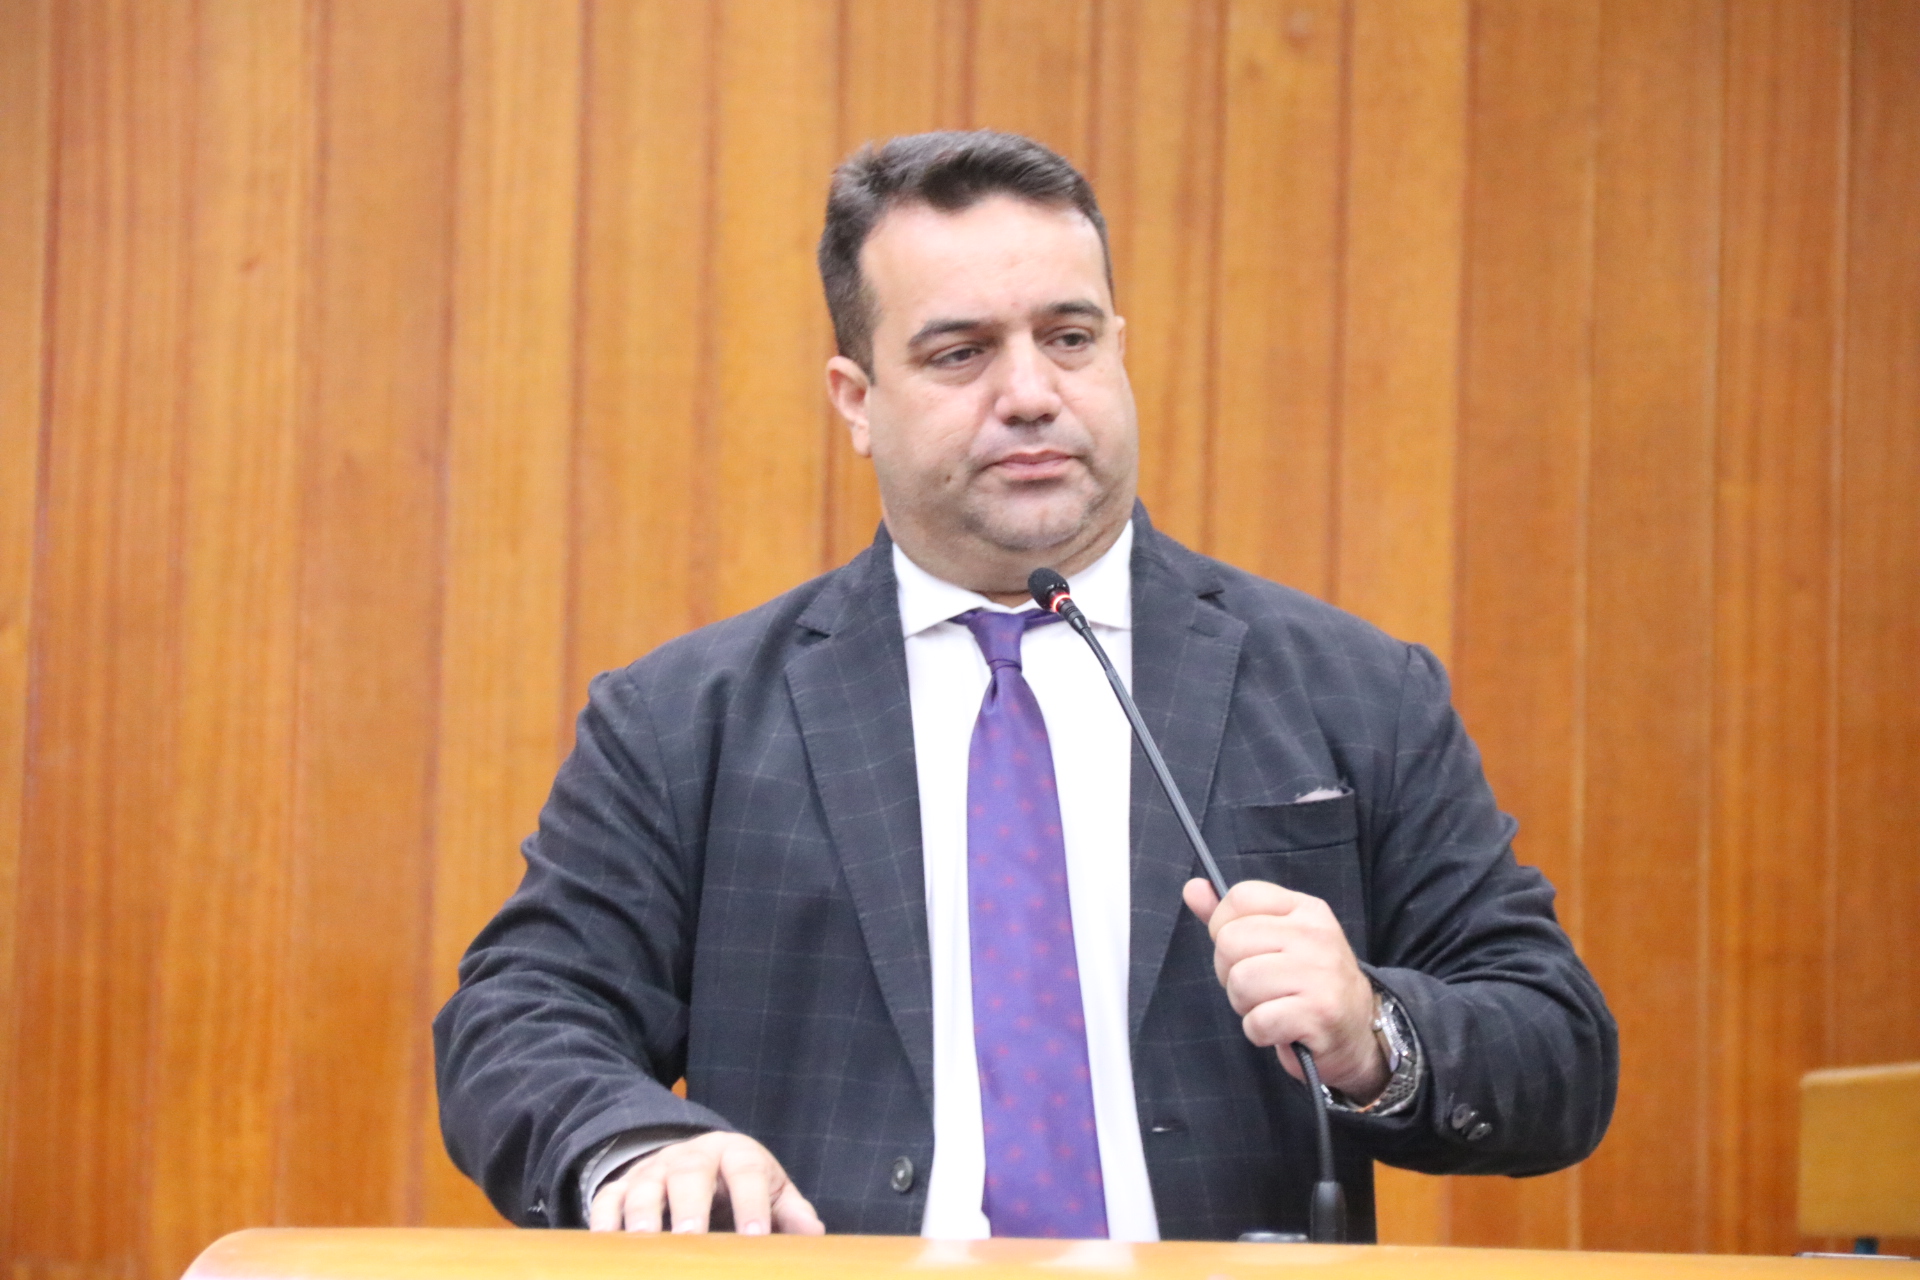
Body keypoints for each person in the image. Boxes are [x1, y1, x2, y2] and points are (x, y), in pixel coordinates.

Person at [433, 130, 1617, 1243]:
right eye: (960, 353)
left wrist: (1375, 1033)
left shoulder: (1349, 689)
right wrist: (637, 1142)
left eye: (1069, 337)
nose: (1032, 392)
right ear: (856, 399)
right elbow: (518, 1014)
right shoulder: (684, 722)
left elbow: (1554, 1041)